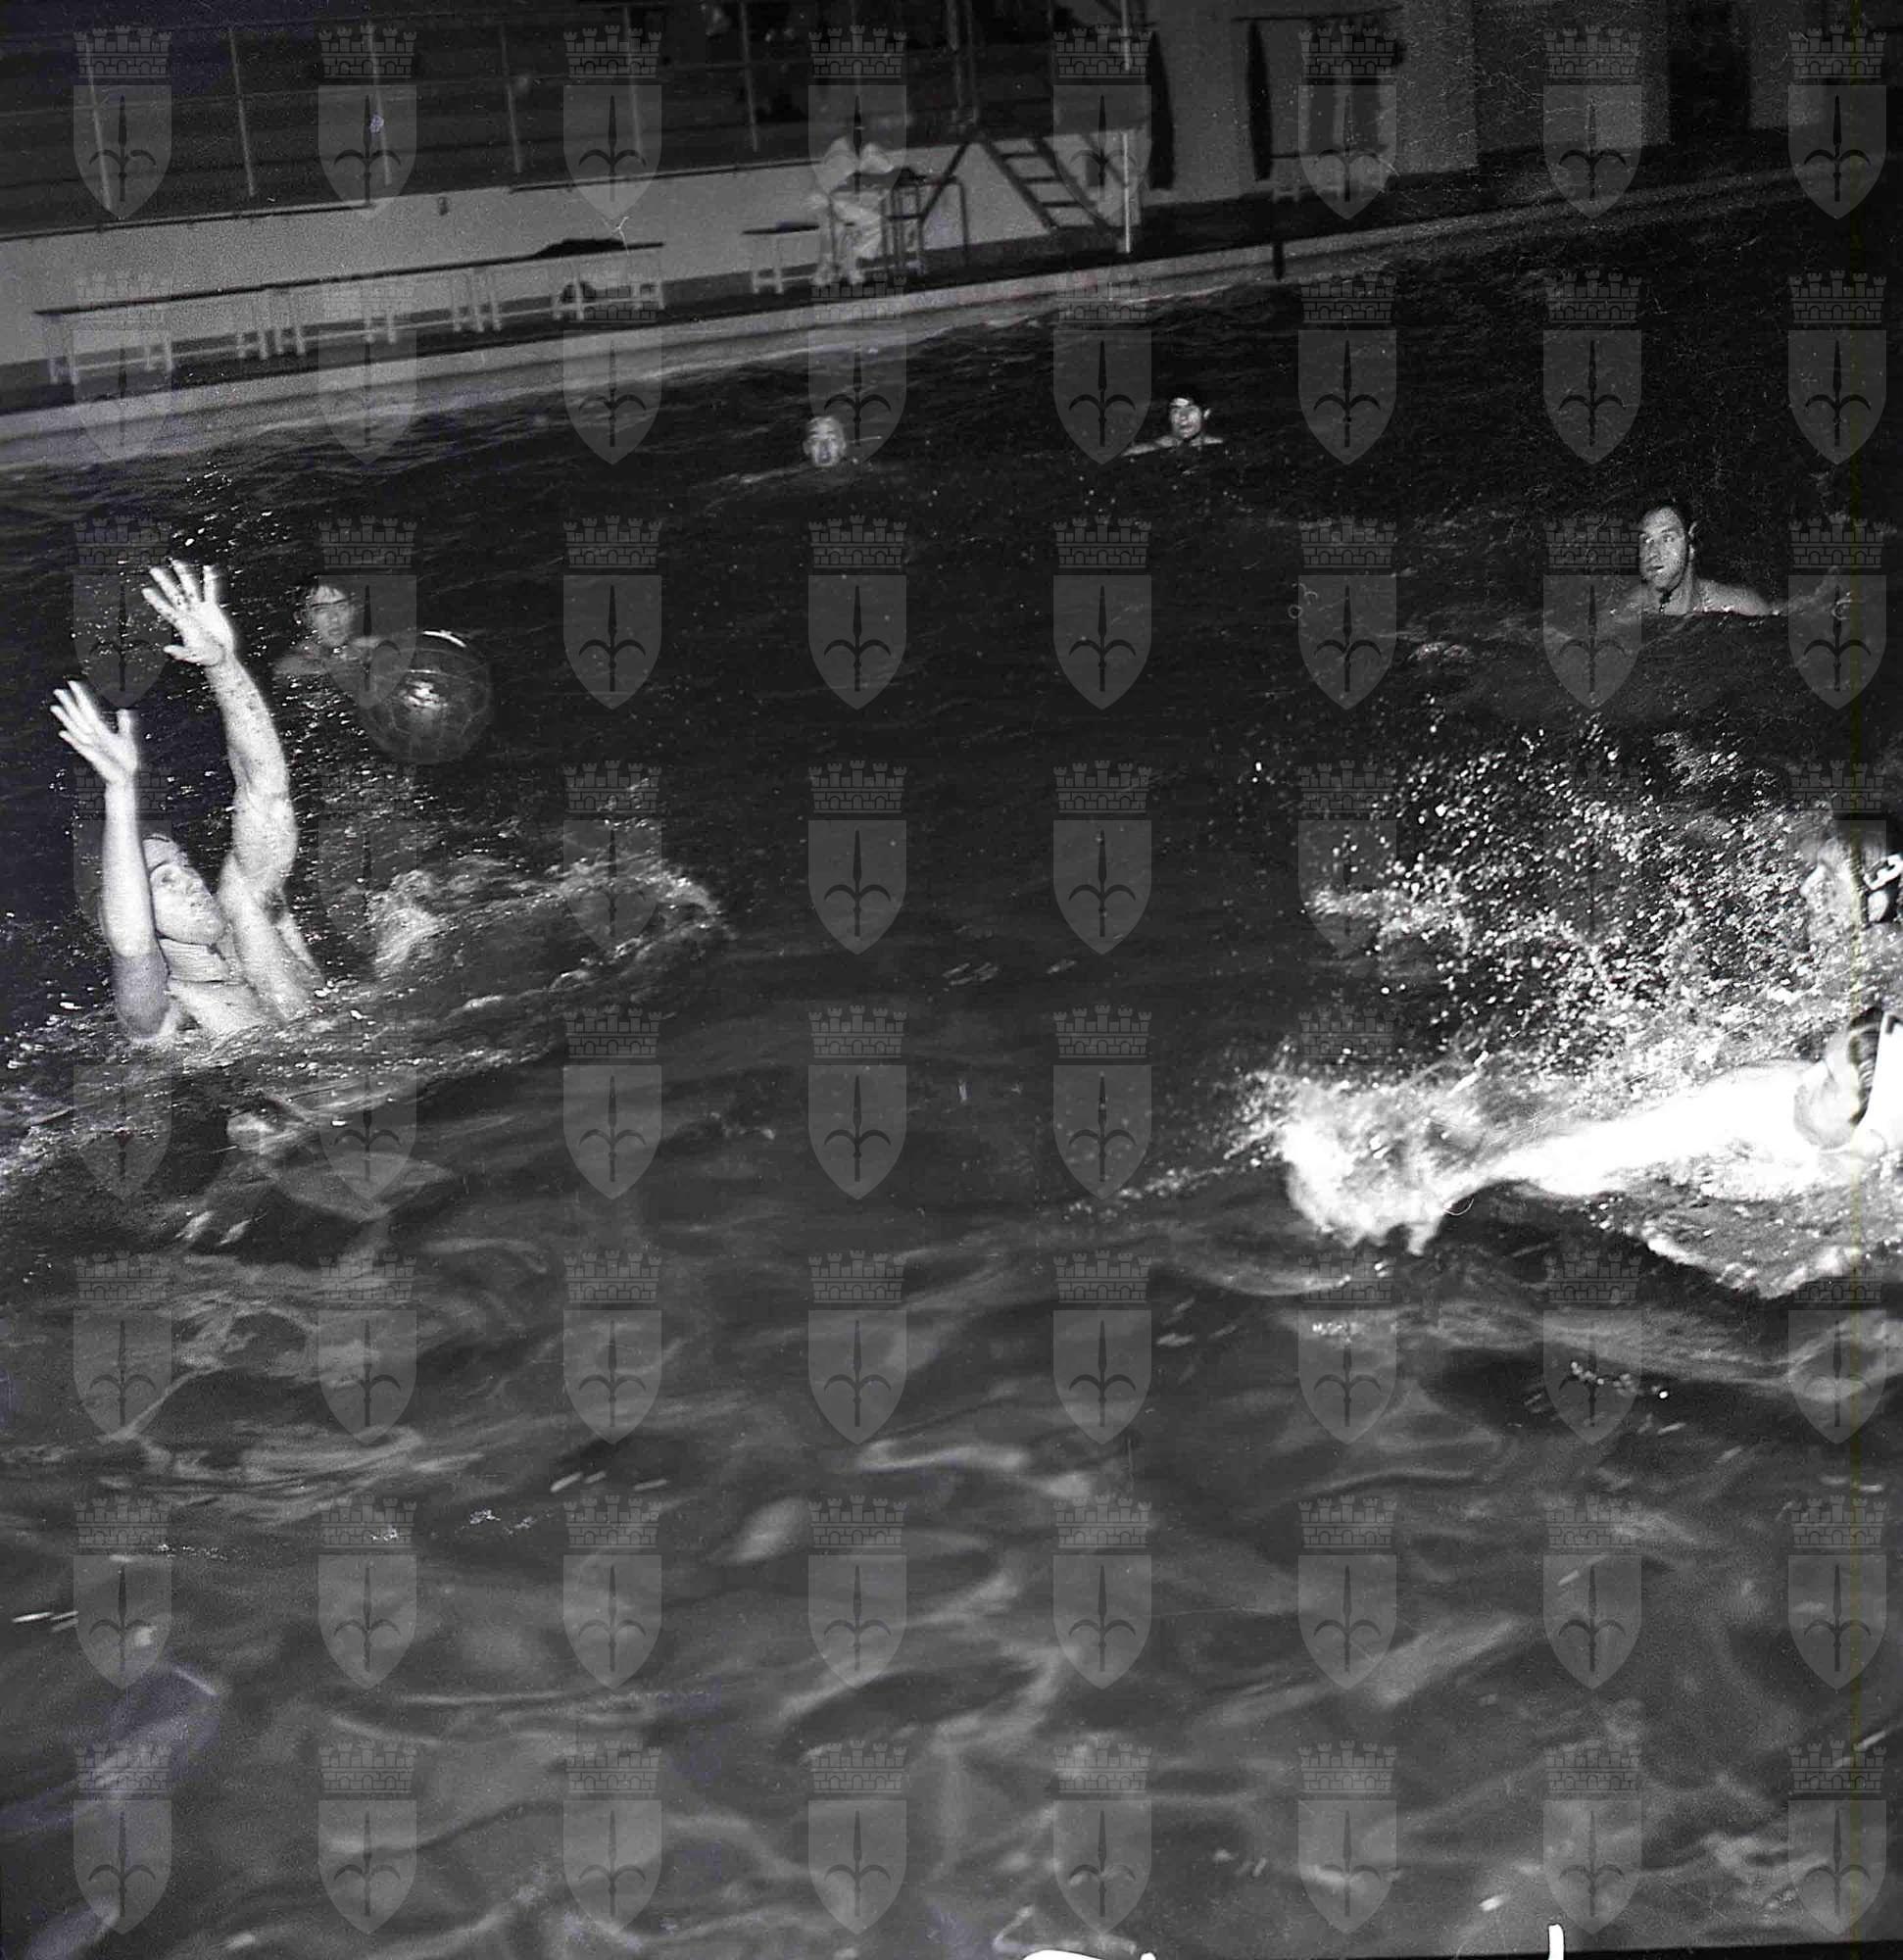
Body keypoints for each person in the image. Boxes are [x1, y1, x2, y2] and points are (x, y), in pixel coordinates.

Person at [52, 563, 322, 1048]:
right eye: (165, 881)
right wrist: (119, 790)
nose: (192, 879)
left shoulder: (249, 910)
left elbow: (266, 790)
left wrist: (223, 664)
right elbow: (131, 943)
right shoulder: (164, 1013)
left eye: (182, 866)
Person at [1617, 499, 1773, 620]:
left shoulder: (1742, 607)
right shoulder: (1628, 612)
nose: (1653, 553)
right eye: (1646, 540)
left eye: (1667, 539)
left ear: (1691, 544)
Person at [808, 132, 900, 288]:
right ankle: (824, 273)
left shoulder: (869, 148)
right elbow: (832, 186)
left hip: (845, 203)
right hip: (823, 202)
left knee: (877, 223)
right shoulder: (839, 149)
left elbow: (889, 170)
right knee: (835, 229)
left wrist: (885, 173)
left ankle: (850, 263)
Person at [1127, 393, 1223, 456]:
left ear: (1206, 414)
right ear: (1169, 417)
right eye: (1176, 411)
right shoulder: (1141, 453)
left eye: (1190, 410)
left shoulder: (1219, 448)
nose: (1183, 417)